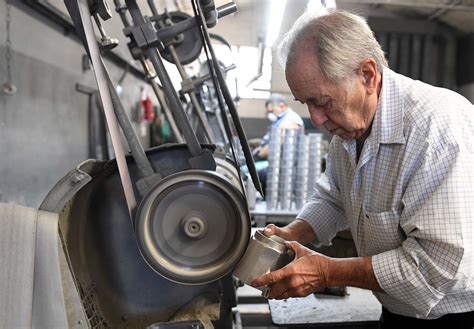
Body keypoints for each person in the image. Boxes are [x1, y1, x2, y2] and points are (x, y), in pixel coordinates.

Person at [251, 9, 474, 328]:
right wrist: (291, 234)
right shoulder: (350, 130)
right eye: (305, 104)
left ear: (368, 75)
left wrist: (326, 271)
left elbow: (434, 268)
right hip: (399, 310)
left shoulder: (435, 129)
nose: (316, 120)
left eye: (323, 102)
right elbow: (332, 197)